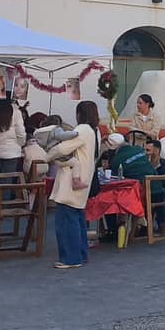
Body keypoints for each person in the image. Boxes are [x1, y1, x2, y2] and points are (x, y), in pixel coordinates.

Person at [46, 101, 99, 268]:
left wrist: (48, 155)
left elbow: (63, 148)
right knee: (77, 219)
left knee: (66, 220)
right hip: (84, 177)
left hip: (72, 180)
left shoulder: (82, 130)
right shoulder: (93, 131)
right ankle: (80, 254)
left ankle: (70, 258)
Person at [0, 100, 26, 177]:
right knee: (7, 182)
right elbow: (21, 133)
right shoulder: (16, 112)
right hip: (11, 153)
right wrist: (19, 145)